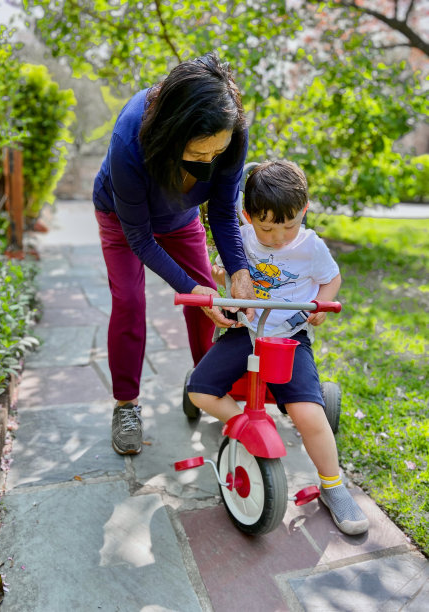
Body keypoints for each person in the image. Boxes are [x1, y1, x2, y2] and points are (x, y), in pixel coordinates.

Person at [187, 160, 369, 535]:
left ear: (303, 211)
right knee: (200, 389)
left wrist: (321, 304)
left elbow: (331, 279)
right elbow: (224, 270)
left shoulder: (310, 245)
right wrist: (220, 274)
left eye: (289, 225)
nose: (278, 237)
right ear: (247, 215)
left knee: (309, 413)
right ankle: (242, 424)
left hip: (289, 335)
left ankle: (333, 486)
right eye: (267, 227)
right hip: (245, 330)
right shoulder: (239, 236)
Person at [93, 53, 255, 457]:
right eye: (199, 155)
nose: (210, 163)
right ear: (171, 133)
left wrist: (238, 268)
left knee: (209, 304)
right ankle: (125, 405)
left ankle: (208, 383)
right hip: (123, 218)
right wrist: (188, 287)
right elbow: (140, 237)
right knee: (129, 301)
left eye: (216, 154)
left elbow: (221, 210)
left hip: (181, 218)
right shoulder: (130, 139)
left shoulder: (229, 130)